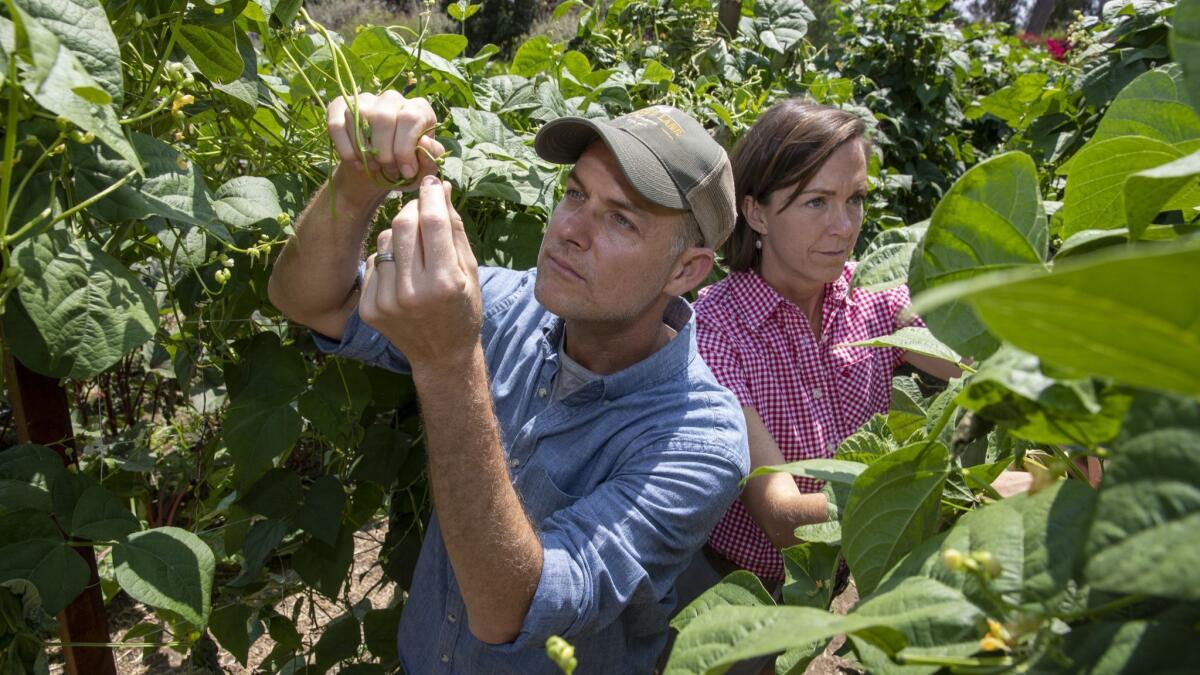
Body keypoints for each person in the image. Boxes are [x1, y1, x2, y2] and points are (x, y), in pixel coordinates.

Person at [267, 91, 749, 674]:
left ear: (686, 269)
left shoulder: (699, 441)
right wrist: (359, 180)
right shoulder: (508, 303)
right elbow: (307, 300)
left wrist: (449, 362)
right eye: (575, 193)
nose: (571, 228)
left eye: (620, 217)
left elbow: (514, 611)